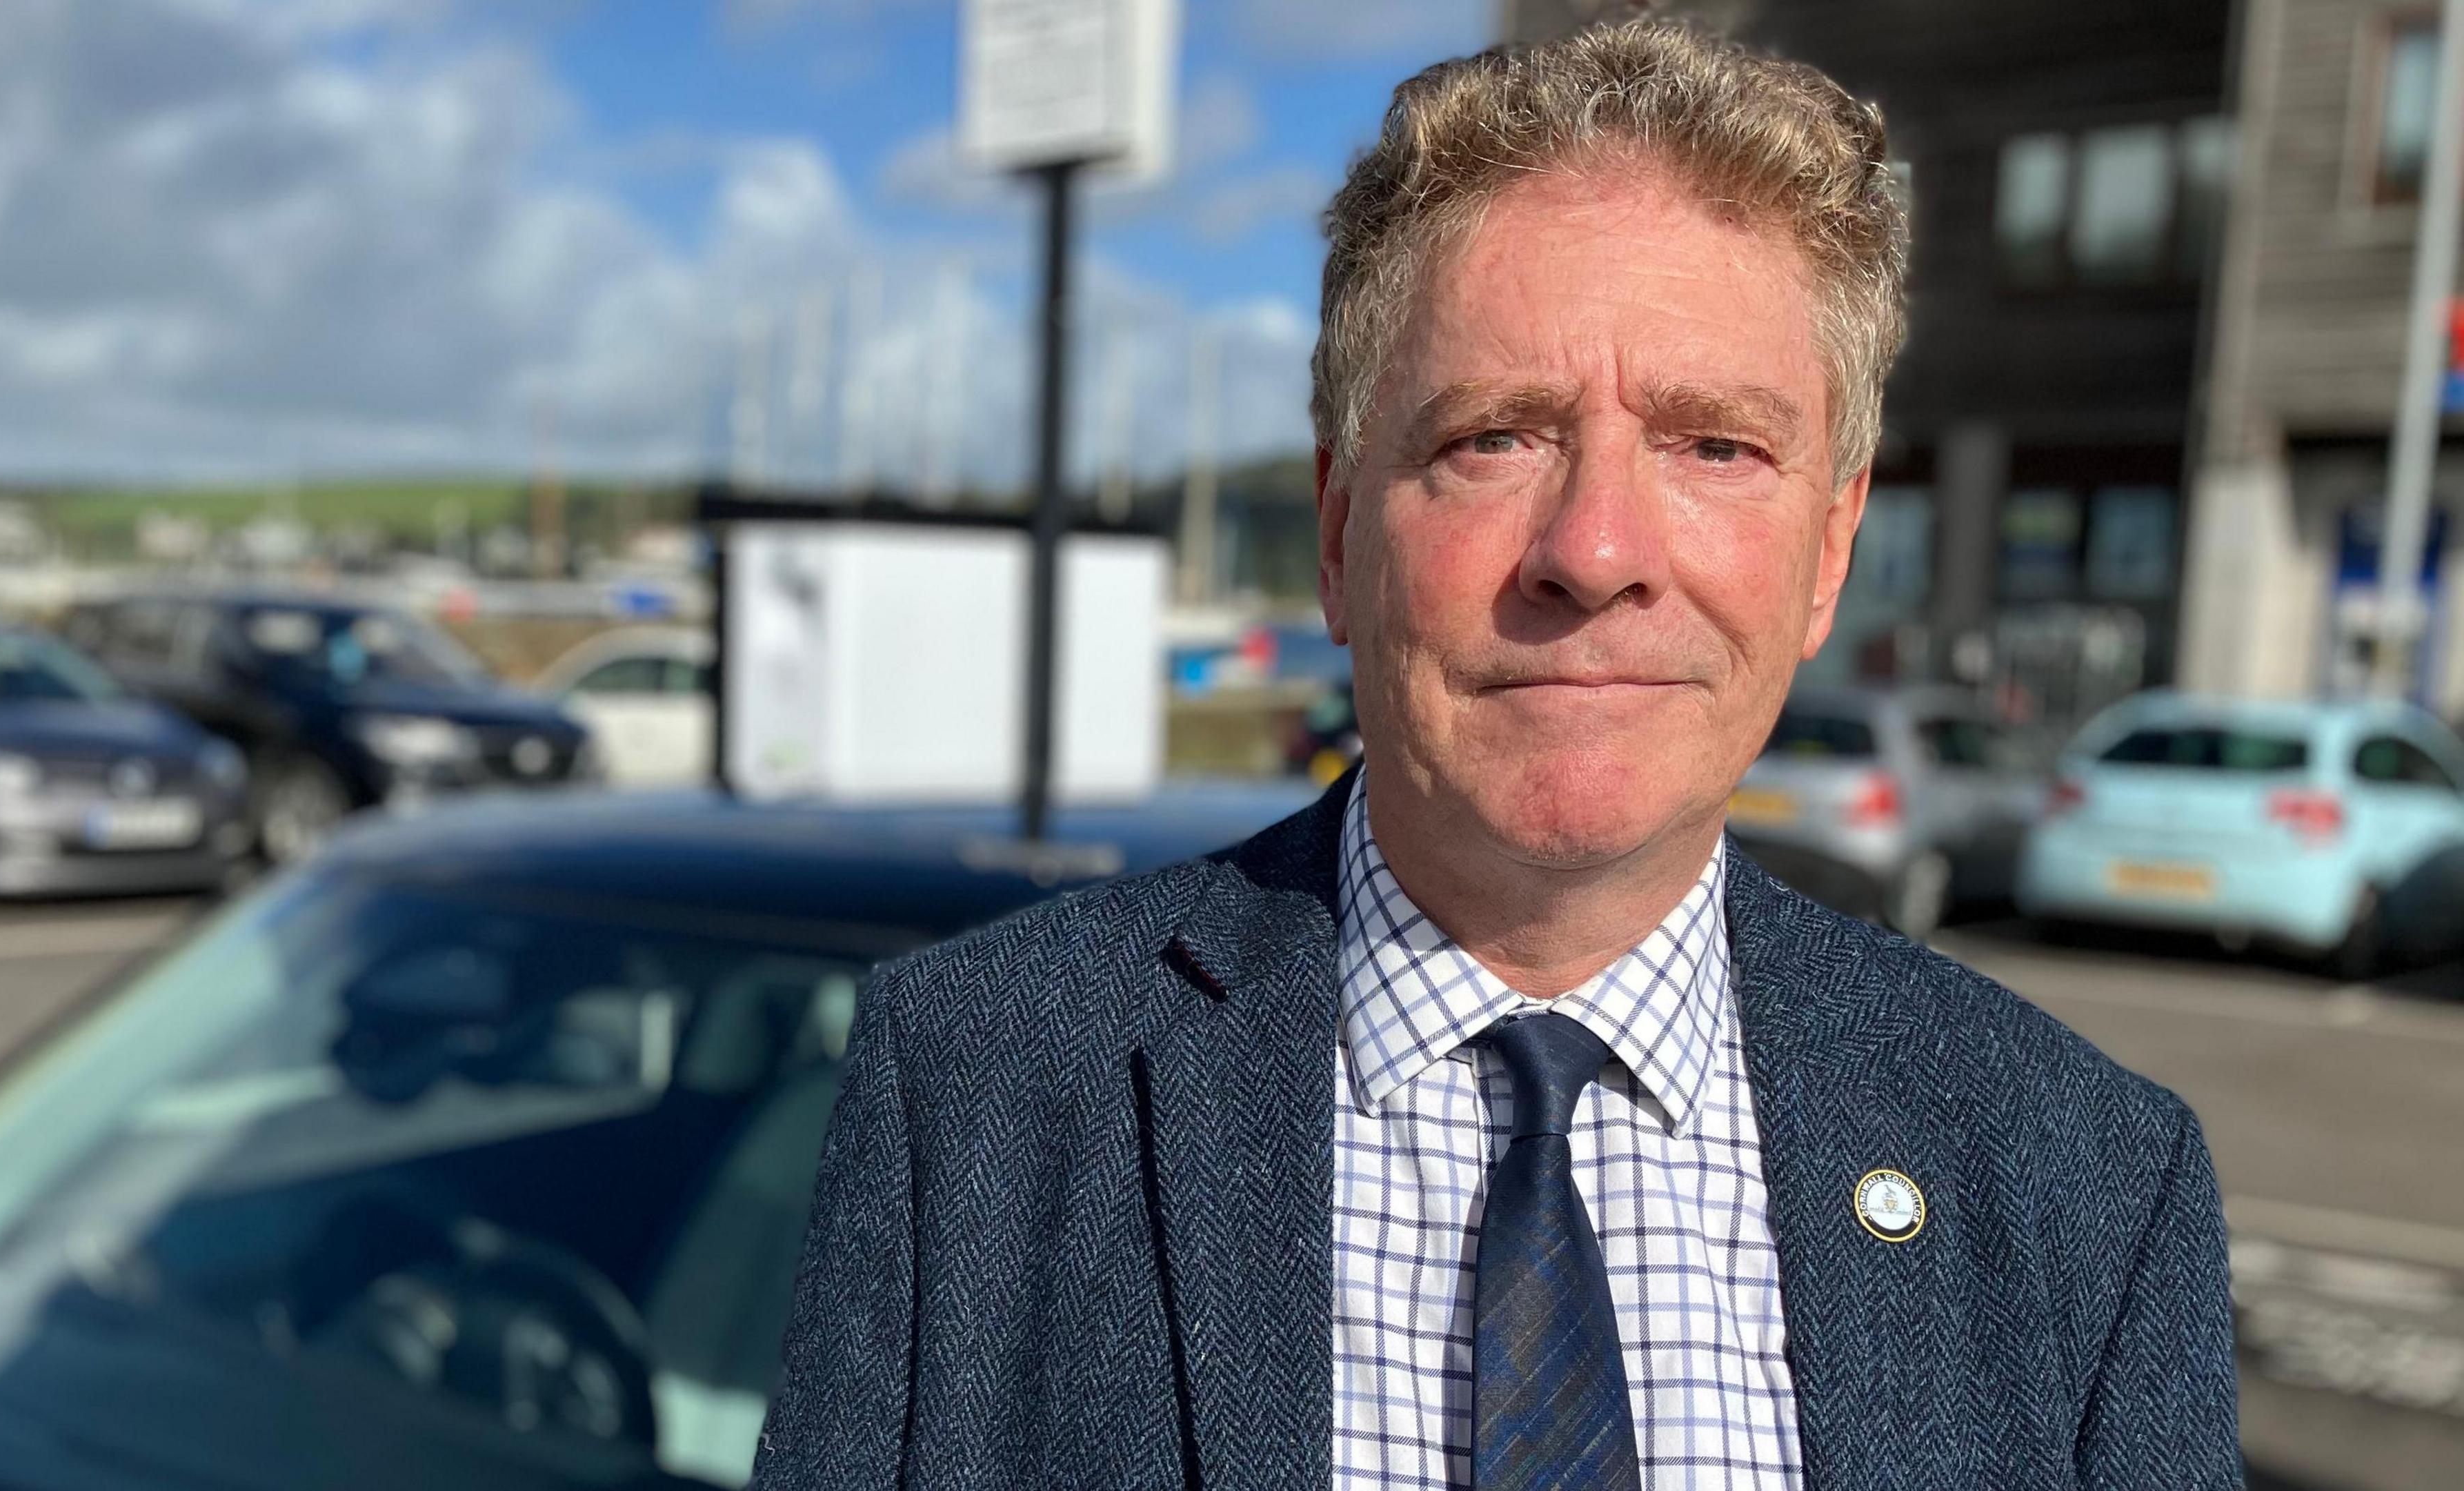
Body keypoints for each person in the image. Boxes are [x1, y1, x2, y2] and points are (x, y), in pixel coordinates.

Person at [755, 19, 2240, 1491]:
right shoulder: (980, 1093)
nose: (1595, 552)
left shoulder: (2085, 1184)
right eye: (1495, 437)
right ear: (1340, 537)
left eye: (1715, 445)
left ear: (1830, 553)